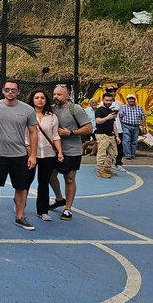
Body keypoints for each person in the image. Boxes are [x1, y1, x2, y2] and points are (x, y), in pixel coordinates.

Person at [0, 80, 38, 231]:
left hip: (19, 155)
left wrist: (33, 155)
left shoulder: (28, 110)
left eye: (13, 90)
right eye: (7, 89)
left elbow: (34, 132)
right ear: (2, 91)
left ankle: (20, 217)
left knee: (21, 187)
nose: (10, 92)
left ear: (18, 92)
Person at [49, 84, 93, 221]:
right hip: (55, 150)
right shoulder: (52, 109)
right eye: (55, 94)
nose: (56, 97)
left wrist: (71, 132)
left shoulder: (76, 109)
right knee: (50, 176)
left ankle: (68, 208)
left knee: (69, 178)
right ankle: (59, 199)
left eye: (59, 94)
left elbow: (89, 128)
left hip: (72, 150)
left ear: (67, 96)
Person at [25, 89, 63, 221]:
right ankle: (19, 204)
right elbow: (24, 136)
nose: (40, 100)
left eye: (42, 97)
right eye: (37, 98)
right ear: (32, 100)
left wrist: (59, 152)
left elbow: (55, 135)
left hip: (48, 154)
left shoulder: (52, 117)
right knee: (26, 181)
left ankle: (43, 211)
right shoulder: (27, 115)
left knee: (44, 182)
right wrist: (31, 153)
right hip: (30, 154)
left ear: (46, 100)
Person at [96, 92, 122, 178]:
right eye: (107, 100)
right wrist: (108, 117)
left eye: (110, 100)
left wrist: (117, 136)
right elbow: (98, 121)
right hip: (102, 134)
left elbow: (113, 124)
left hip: (111, 134)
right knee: (102, 153)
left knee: (114, 153)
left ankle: (107, 168)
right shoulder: (99, 110)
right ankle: (100, 170)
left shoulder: (111, 110)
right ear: (103, 100)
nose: (108, 102)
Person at [119, 94, 146, 160]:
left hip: (136, 126)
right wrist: (119, 126)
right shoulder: (123, 107)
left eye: (132, 99)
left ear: (135, 99)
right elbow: (120, 117)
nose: (131, 100)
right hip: (126, 125)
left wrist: (144, 127)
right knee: (126, 140)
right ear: (127, 100)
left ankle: (133, 154)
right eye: (129, 99)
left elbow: (143, 118)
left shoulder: (139, 108)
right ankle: (128, 155)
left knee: (134, 141)